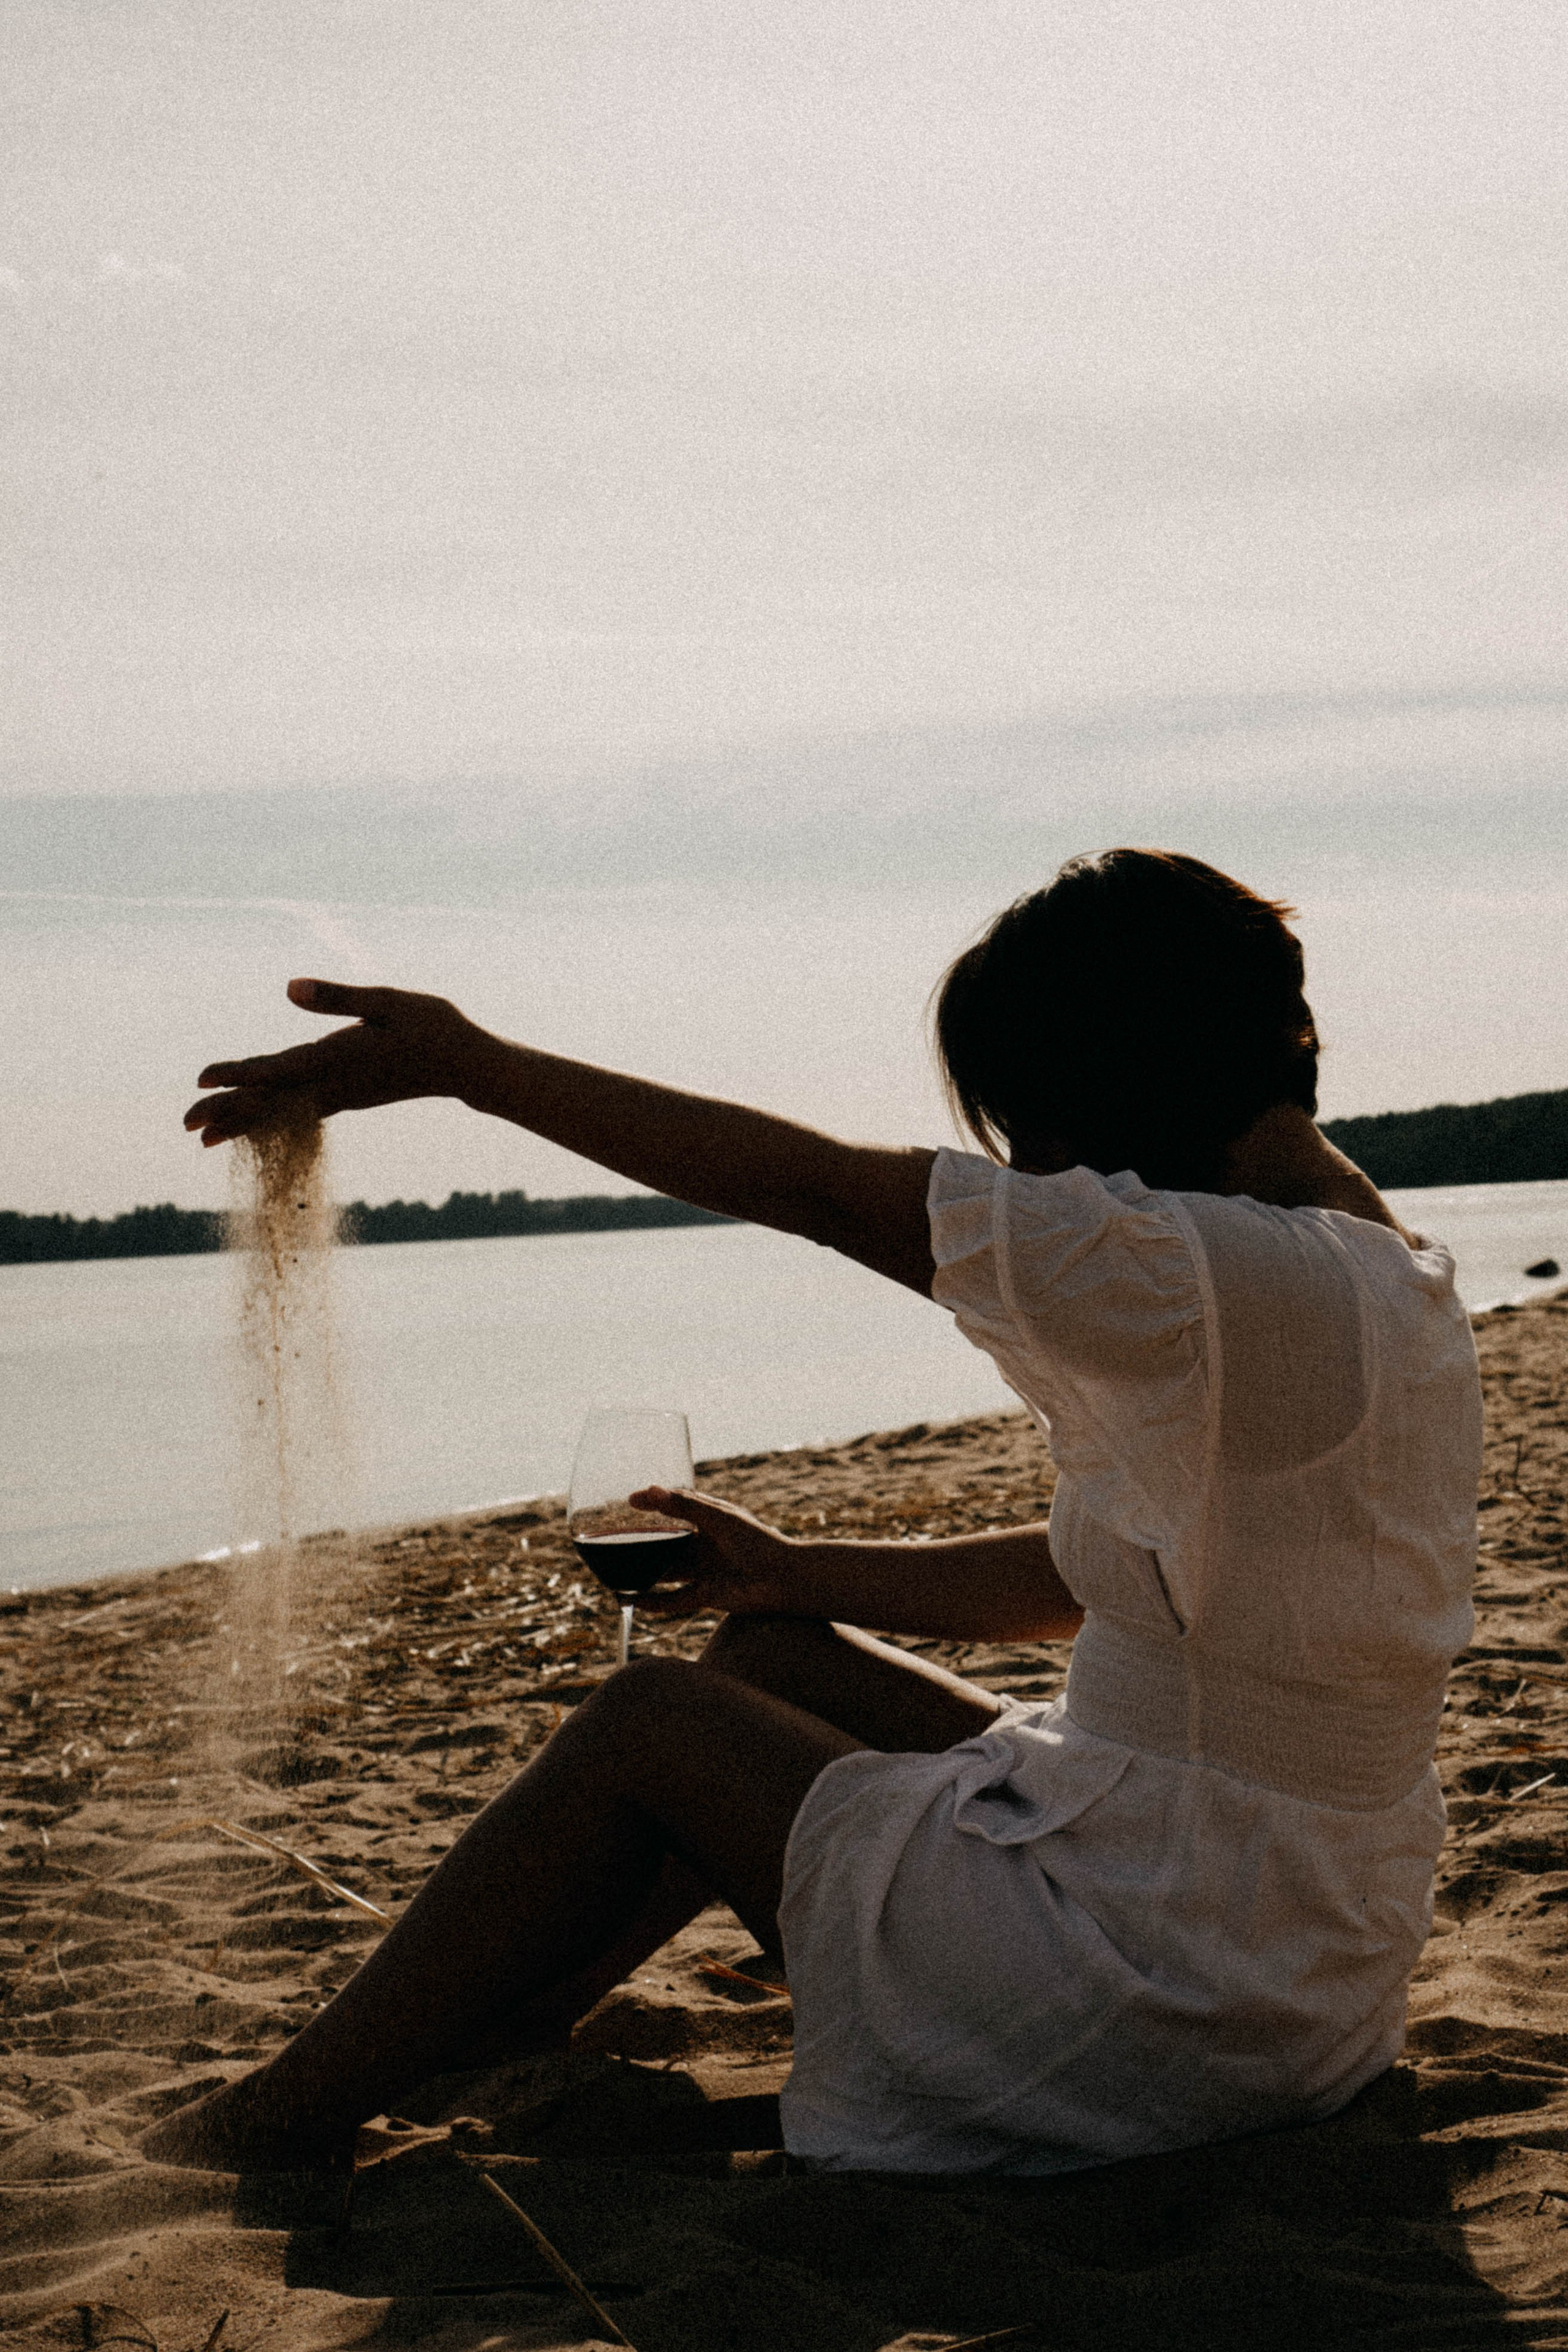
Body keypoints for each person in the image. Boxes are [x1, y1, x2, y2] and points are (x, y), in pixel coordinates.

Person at [144, 848, 1480, 2177]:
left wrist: (470, 1067)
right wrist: (793, 1572)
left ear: (1121, 1076)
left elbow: (814, 1192)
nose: (1038, 1167)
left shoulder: (1213, 1278)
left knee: (643, 1724)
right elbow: (1096, 1582)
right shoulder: (1379, 1273)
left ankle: (275, 2121)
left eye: (1037, 1125)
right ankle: (494, 2030)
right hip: (1284, 1956)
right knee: (770, 1661)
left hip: (1162, 1989)